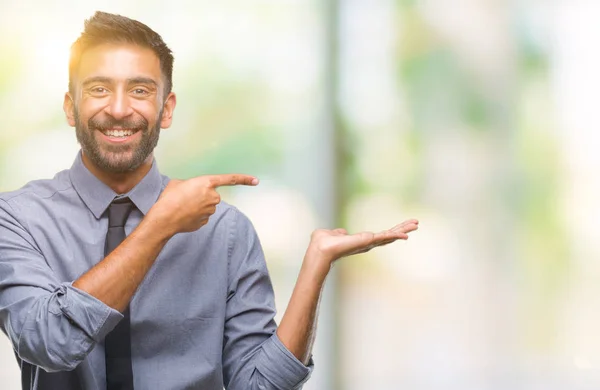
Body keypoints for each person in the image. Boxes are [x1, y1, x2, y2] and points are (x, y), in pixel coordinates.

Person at [0, 11, 419, 390]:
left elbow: (257, 387)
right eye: (98, 89)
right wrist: (160, 224)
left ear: (166, 109)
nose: (120, 108)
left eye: (141, 90)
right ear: (71, 107)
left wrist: (315, 268)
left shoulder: (226, 231)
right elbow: (49, 341)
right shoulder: (16, 219)